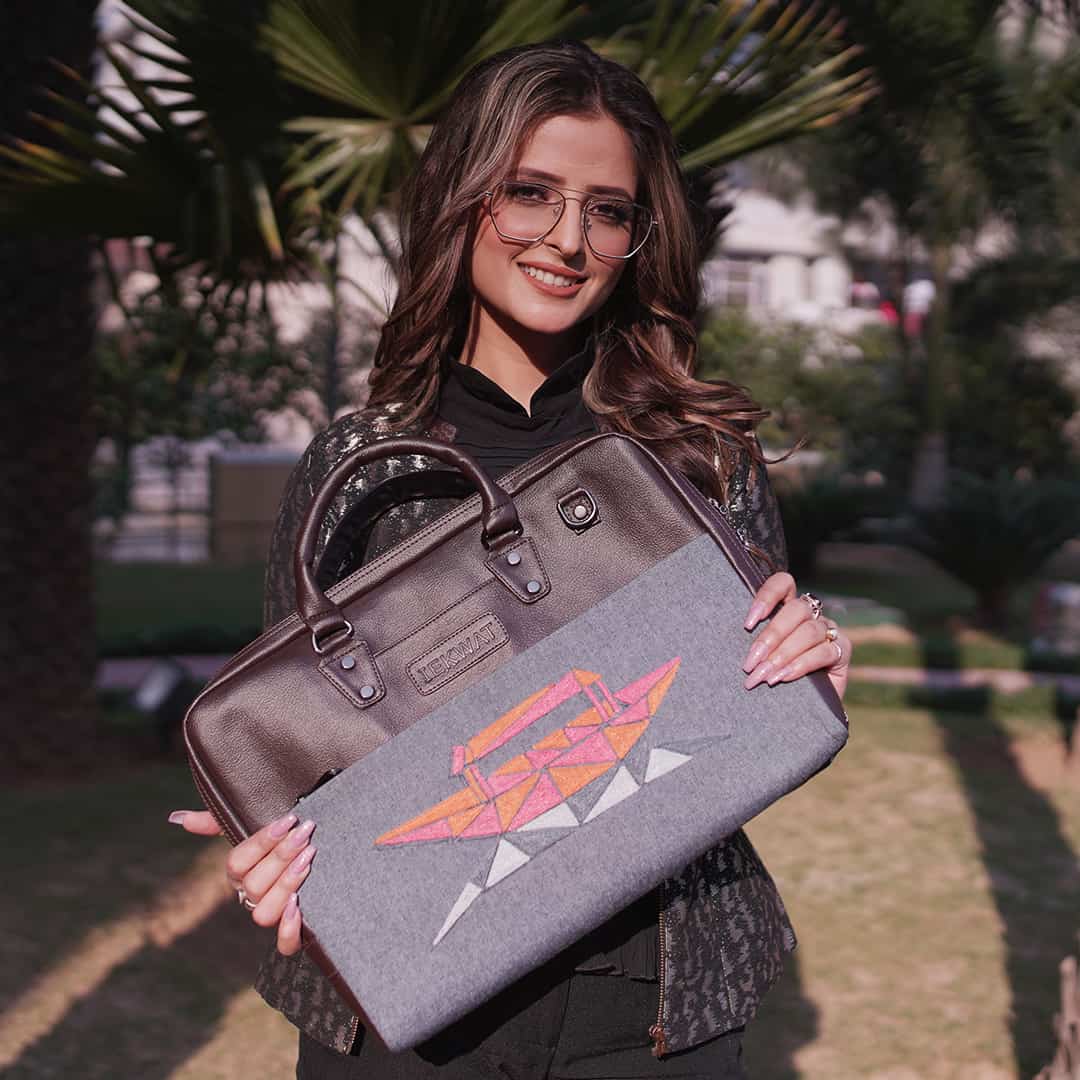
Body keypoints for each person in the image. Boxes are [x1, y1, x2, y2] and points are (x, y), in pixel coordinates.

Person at [169, 40, 852, 1079]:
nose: (568, 240)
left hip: (650, 1008)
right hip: (406, 1015)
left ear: (638, 239)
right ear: (463, 197)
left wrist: (810, 669)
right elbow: (299, 756)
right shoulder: (359, 472)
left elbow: (742, 732)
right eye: (530, 193)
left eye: (607, 210)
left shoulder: (697, 456)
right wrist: (269, 846)